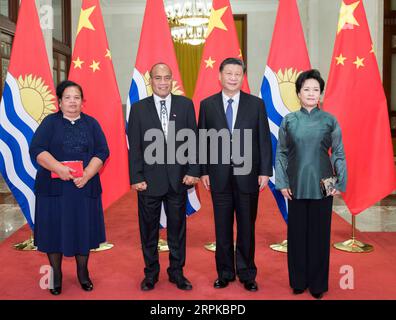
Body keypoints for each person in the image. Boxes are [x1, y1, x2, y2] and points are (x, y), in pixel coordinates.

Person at [198, 57, 273, 292]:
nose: (232, 78)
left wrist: (264, 171)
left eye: (237, 74)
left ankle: (247, 273)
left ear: (243, 77)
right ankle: (225, 272)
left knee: (246, 227)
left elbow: (263, 139)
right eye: (228, 73)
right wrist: (203, 170)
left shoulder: (256, 104)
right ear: (219, 76)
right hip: (218, 176)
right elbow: (202, 140)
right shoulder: (207, 105)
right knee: (222, 228)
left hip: (248, 175)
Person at [29, 80, 109, 295]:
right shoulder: (49, 123)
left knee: (83, 230)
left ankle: (83, 273)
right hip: (53, 189)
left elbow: (102, 151)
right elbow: (36, 148)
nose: (72, 102)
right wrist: (58, 168)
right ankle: (55, 275)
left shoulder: (92, 124)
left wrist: (88, 174)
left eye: (76, 98)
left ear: (83, 102)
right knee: (54, 231)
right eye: (68, 97)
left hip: (84, 187)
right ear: (60, 101)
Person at [275, 69, 347, 299]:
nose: (311, 93)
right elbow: (282, 154)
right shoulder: (289, 120)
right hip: (295, 185)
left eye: (316, 89)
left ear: (321, 94)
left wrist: (340, 182)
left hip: (324, 185)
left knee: (320, 236)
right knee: (296, 235)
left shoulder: (330, 120)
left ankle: (317, 284)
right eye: (306, 89)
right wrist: (282, 182)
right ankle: (298, 280)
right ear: (298, 93)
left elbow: (338, 153)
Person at [128, 63, 200, 291]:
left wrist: (193, 170)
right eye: (158, 78)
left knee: (177, 230)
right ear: (151, 80)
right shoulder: (138, 108)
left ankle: (177, 272)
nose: (162, 82)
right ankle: (150, 273)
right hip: (148, 181)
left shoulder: (185, 105)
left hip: (179, 180)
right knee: (148, 230)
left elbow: (194, 141)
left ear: (172, 79)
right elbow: (135, 146)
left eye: (166, 77)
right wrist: (136, 176)